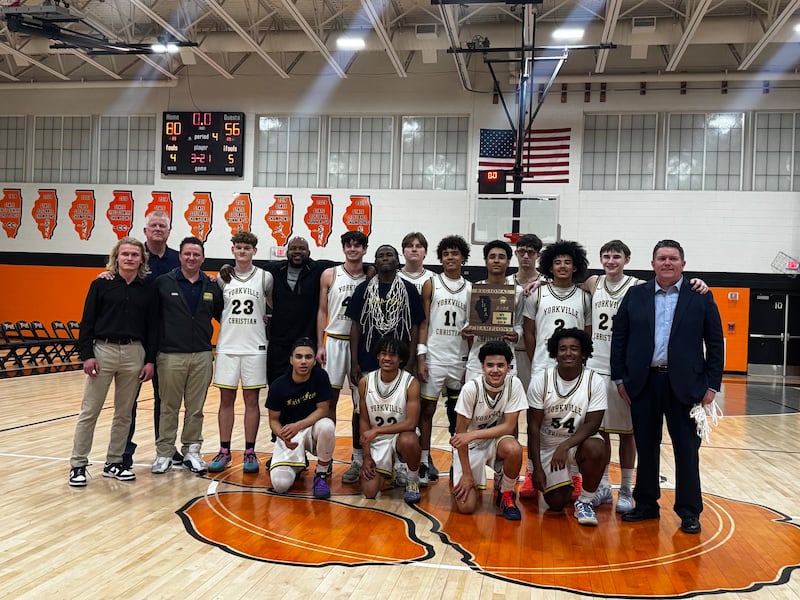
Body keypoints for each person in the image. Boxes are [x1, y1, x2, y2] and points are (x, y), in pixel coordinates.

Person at [611, 239, 724, 535]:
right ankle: (646, 504)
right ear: (652, 264)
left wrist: (712, 385)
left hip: (686, 386)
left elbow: (715, 343)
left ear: (683, 264)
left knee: (687, 450)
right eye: (662, 258)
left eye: (673, 258)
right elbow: (619, 337)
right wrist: (620, 378)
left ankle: (689, 511)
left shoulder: (700, 296)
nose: (667, 263)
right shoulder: (635, 295)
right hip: (644, 383)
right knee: (646, 447)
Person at [68, 237, 156, 487]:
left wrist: (150, 360)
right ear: (116, 257)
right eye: (125, 254)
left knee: (124, 413)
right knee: (90, 411)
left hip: (134, 352)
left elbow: (153, 327)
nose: (130, 258)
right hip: (103, 350)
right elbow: (87, 321)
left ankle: (114, 462)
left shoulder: (147, 289)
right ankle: (78, 464)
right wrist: (87, 355)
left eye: (135, 255)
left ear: (142, 260)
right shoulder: (101, 284)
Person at [343, 244, 425, 484]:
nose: (385, 258)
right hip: (369, 358)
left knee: (401, 411)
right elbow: (355, 326)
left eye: (389, 255)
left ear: (397, 260)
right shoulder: (364, 288)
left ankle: (401, 463)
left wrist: (411, 360)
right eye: (380, 255)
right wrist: (354, 361)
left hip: (399, 360)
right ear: (375, 261)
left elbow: (415, 326)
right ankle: (358, 458)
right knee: (361, 411)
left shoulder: (408, 289)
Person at [520, 239, 591, 500]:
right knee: (536, 422)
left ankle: (574, 474)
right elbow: (529, 331)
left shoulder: (584, 297)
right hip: (542, 366)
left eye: (567, 262)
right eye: (557, 262)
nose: (562, 266)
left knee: (574, 421)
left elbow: (587, 333)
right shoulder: (536, 293)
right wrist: (535, 359)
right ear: (550, 266)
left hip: (573, 370)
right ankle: (531, 472)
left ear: (575, 267)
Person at [151, 236, 223, 475]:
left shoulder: (211, 285)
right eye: (187, 254)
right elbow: (150, 317)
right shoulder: (163, 283)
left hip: (202, 355)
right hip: (170, 356)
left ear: (203, 258)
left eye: (196, 254)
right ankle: (164, 453)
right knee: (168, 407)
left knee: (196, 409)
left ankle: (192, 451)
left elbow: (224, 316)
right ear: (180, 256)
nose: (191, 258)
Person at [527, 328, 607, 526]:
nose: (568, 353)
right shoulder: (541, 380)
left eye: (574, 348)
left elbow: (593, 424)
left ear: (584, 353)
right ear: (555, 353)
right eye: (562, 349)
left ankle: (585, 501)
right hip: (548, 446)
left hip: (576, 444)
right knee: (556, 503)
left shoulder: (594, 381)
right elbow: (533, 427)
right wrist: (536, 468)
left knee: (597, 446)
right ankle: (567, 478)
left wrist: (565, 446)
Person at [209, 232, 273, 474]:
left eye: (247, 247)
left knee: (252, 401)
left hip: (255, 348)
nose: (243, 251)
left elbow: (274, 304)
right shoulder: (222, 278)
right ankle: (224, 450)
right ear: (233, 250)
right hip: (227, 346)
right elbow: (217, 308)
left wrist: (268, 317)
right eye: (239, 247)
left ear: (255, 251)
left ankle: (249, 451)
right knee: (225, 401)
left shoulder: (265, 277)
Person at [121, 211, 180, 469]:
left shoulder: (178, 259)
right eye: (153, 225)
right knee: (128, 400)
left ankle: (165, 449)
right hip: (136, 337)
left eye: (162, 226)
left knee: (164, 400)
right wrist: (105, 275)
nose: (157, 229)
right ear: (145, 231)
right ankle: (123, 450)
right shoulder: (135, 255)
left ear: (168, 232)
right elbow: (116, 275)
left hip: (167, 338)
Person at [416, 235, 471, 485]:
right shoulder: (432, 283)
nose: (450, 257)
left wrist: (470, 363)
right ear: (440, 258)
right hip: (435, 357)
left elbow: (472, 329)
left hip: (459, 359)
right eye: (446, 253)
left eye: (455, 253)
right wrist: (421, 356)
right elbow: (424, 323)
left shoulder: (470, 288)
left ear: (463, 258)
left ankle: (457, 461)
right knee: (426, 411)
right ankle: (424, 460)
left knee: (457, 415)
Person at [450, 341, 525, 521]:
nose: (495, 370)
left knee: (514, 448)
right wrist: (467, 475)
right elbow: (460, 437)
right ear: (482, 367)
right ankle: (465, 474)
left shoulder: (514, 384)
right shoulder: (470, 389)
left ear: (509, 367)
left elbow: (509, 426)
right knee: (467, 507)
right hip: (470, 447)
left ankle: (506, 493)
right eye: (490, 365)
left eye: (500, 365)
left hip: (495, 441)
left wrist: (473, 434)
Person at [316, 231, 369, 474]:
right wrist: (320, 344)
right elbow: (322, 310)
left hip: (361, 344)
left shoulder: (370, 275)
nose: (353, 249)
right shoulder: (330, 274)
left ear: (364, 249)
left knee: (361, 404)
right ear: (344, 248)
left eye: (358, 245)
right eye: (349, 245)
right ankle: (326, 458)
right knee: (330, 402)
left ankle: (358, 457)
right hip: (335, 341)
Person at [266, 337, 335, 499]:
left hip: (311, 431)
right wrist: (282, 435)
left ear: (314, 361)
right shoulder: (278, 385)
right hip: (290, 435)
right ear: (291, 360)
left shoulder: (320, 377)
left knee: (327, 425)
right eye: (299, 357)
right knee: (280, 485)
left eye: (308, 357)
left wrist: (298, 425)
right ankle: (298, 464)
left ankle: (321, 475)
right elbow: (273, 420)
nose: (303, 361)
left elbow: (323, 409)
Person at [358, 335, 422, 504]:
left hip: (400, 438)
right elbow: (364, 421)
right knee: (369, 492)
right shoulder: (365, 382)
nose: (387, 358)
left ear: (400, 359)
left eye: (392, 355)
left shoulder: (410, 383)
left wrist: (377, 430)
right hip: (377, 441)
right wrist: (366, 456)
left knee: (409, 440)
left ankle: (412, 480)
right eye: (383, 353)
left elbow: (411, 423)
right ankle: (390, 471)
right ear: (378, 356)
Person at [265, 237, 335, 384]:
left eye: (302, 248)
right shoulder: (274, 269)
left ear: (309, 252)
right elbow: (247, 271)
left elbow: (349, 266)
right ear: (287, 252)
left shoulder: (318, 269)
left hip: (307, 340)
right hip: (279, 342)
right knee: (276, 384)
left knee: (307, 387)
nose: (297, 251)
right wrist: (227, 267)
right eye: (293, 248)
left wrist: (369, 268)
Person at [463, 240, 523, 383]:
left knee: (506, 397)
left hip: (506, 359)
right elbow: (467, 321)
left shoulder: (518, 291)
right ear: (486, 261)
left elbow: (519, 324)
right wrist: (466, 330)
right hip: (477, 360)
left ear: (508, 262)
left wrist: (516, 335)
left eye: (501, 257)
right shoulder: (473, 289)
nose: (496, 260)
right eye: (492, 257)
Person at [507, 234, 544, 392]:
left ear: (538, 255)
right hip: (509, 347)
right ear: (516, 253)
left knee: (534, 398)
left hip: (536, 350)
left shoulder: (547, 282)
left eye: (531, 252)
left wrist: (543, 282)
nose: (526, 256)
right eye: (522, 251)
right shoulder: (505, 282)